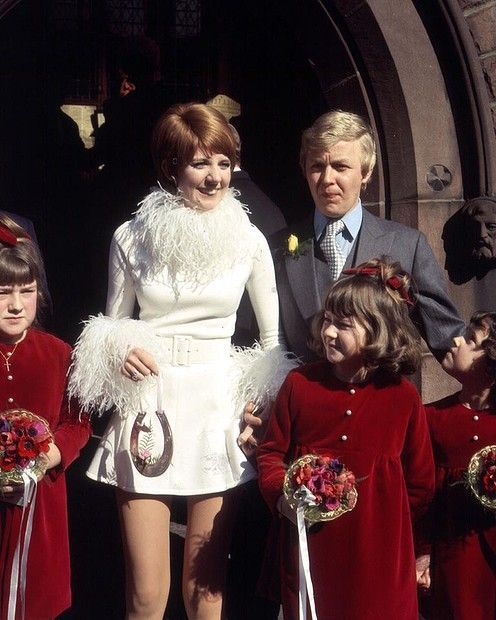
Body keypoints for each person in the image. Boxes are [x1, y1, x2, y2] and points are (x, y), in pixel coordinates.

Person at [69, 102, 295, 619]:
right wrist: (120, 348)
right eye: (201, 164)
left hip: (217, 408)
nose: (215, 177)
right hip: (150, 406)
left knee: (206, 587)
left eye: (223, 162)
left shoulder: (250, 240)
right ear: (172, 168)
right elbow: (111, 323)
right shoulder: (131, 237)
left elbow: (269, 341)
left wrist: (253, 412)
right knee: (146, 593)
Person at [257, 258, 435, 620]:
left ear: (378, 330)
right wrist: (282, 500)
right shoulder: (300, 384)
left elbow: (421, 485)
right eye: (327, 320)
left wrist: (419, 550)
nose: (329, 332)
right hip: (313, 551)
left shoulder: (401, 397)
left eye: (344, 325)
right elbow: (271, 453)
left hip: (380, 559)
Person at [273, 109, 464, 363]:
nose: (327, 179)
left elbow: (449, 340)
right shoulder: (276, 247)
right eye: (317, 166)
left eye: (340, 166)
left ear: (366, 172)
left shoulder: (408, 245)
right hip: (303, 399)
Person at [0, 215, 90, 619]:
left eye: (27, 291)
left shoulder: (58, 354)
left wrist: (53, 453)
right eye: (3, 292)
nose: (17, 305)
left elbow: (79, 423)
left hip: (42, 509)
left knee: (36, 599)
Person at [416, 311, 496, 619]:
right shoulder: (431, 418)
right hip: (451, 563)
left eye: (471, 339)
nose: (457, 340)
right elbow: (422, 494)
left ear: (490, 368)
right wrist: (421, 556)